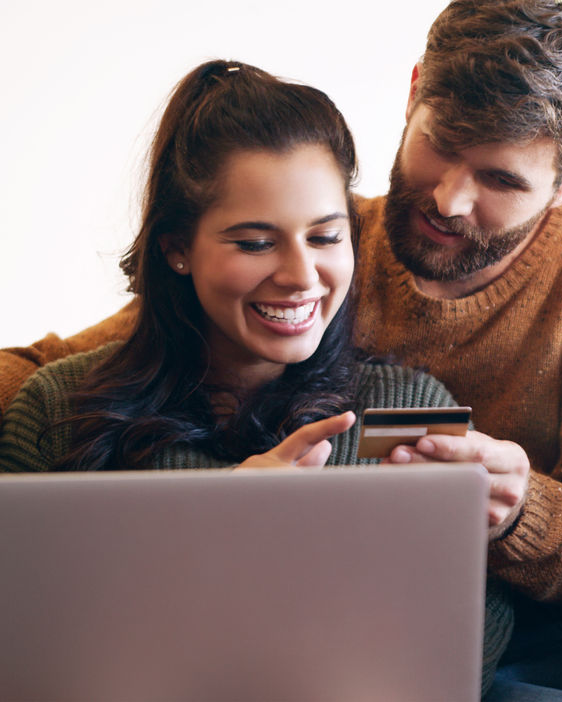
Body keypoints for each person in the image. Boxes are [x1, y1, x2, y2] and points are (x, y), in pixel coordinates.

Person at [0, 1, 562, 700]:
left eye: (499, 181)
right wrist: (212, 518)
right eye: (440, 147)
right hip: (466, 657)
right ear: (414, 93)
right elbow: (101, 363)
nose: (449, 200)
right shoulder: (329, 248)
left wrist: (521, 507)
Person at [0, 59, 513, 697]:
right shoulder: (57, 412)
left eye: (326, 236)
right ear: (176, 249)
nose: (301, 275)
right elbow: (28, 651)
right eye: (254, 243)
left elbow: (468, 629)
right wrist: (212, 532)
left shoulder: (403, 410)